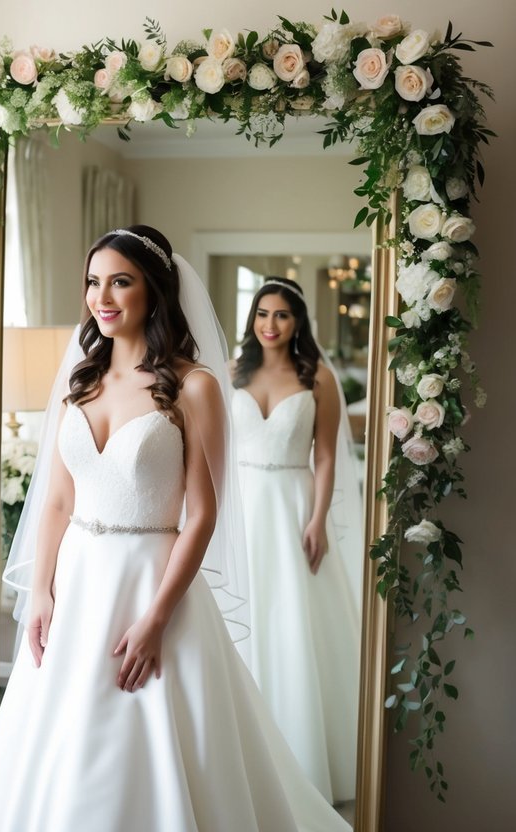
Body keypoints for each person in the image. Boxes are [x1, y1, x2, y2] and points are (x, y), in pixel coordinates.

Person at [0, 226, 348, 831]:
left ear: (154, 291)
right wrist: (39, 590)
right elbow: (59, 500)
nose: (102, 296)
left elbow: (203, 515)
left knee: (155, 735)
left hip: (152, 583)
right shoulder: (80, 383)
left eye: (120, 281)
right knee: (59, 741)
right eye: (93, 281)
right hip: (77, 583)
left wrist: (157, 618)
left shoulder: (195, 386)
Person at [231, 276, 362, 804]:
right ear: (252, 318)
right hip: (240, 505)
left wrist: (316, 518)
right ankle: (238, 753)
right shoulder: (230, 372)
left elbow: (326, 456)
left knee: (290, 623)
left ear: (298, 322)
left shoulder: (318, 379)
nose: (270, 324)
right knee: (242, 618)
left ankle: (302, 760)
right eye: (263, 314)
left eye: (281, 315)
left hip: (291, 504)